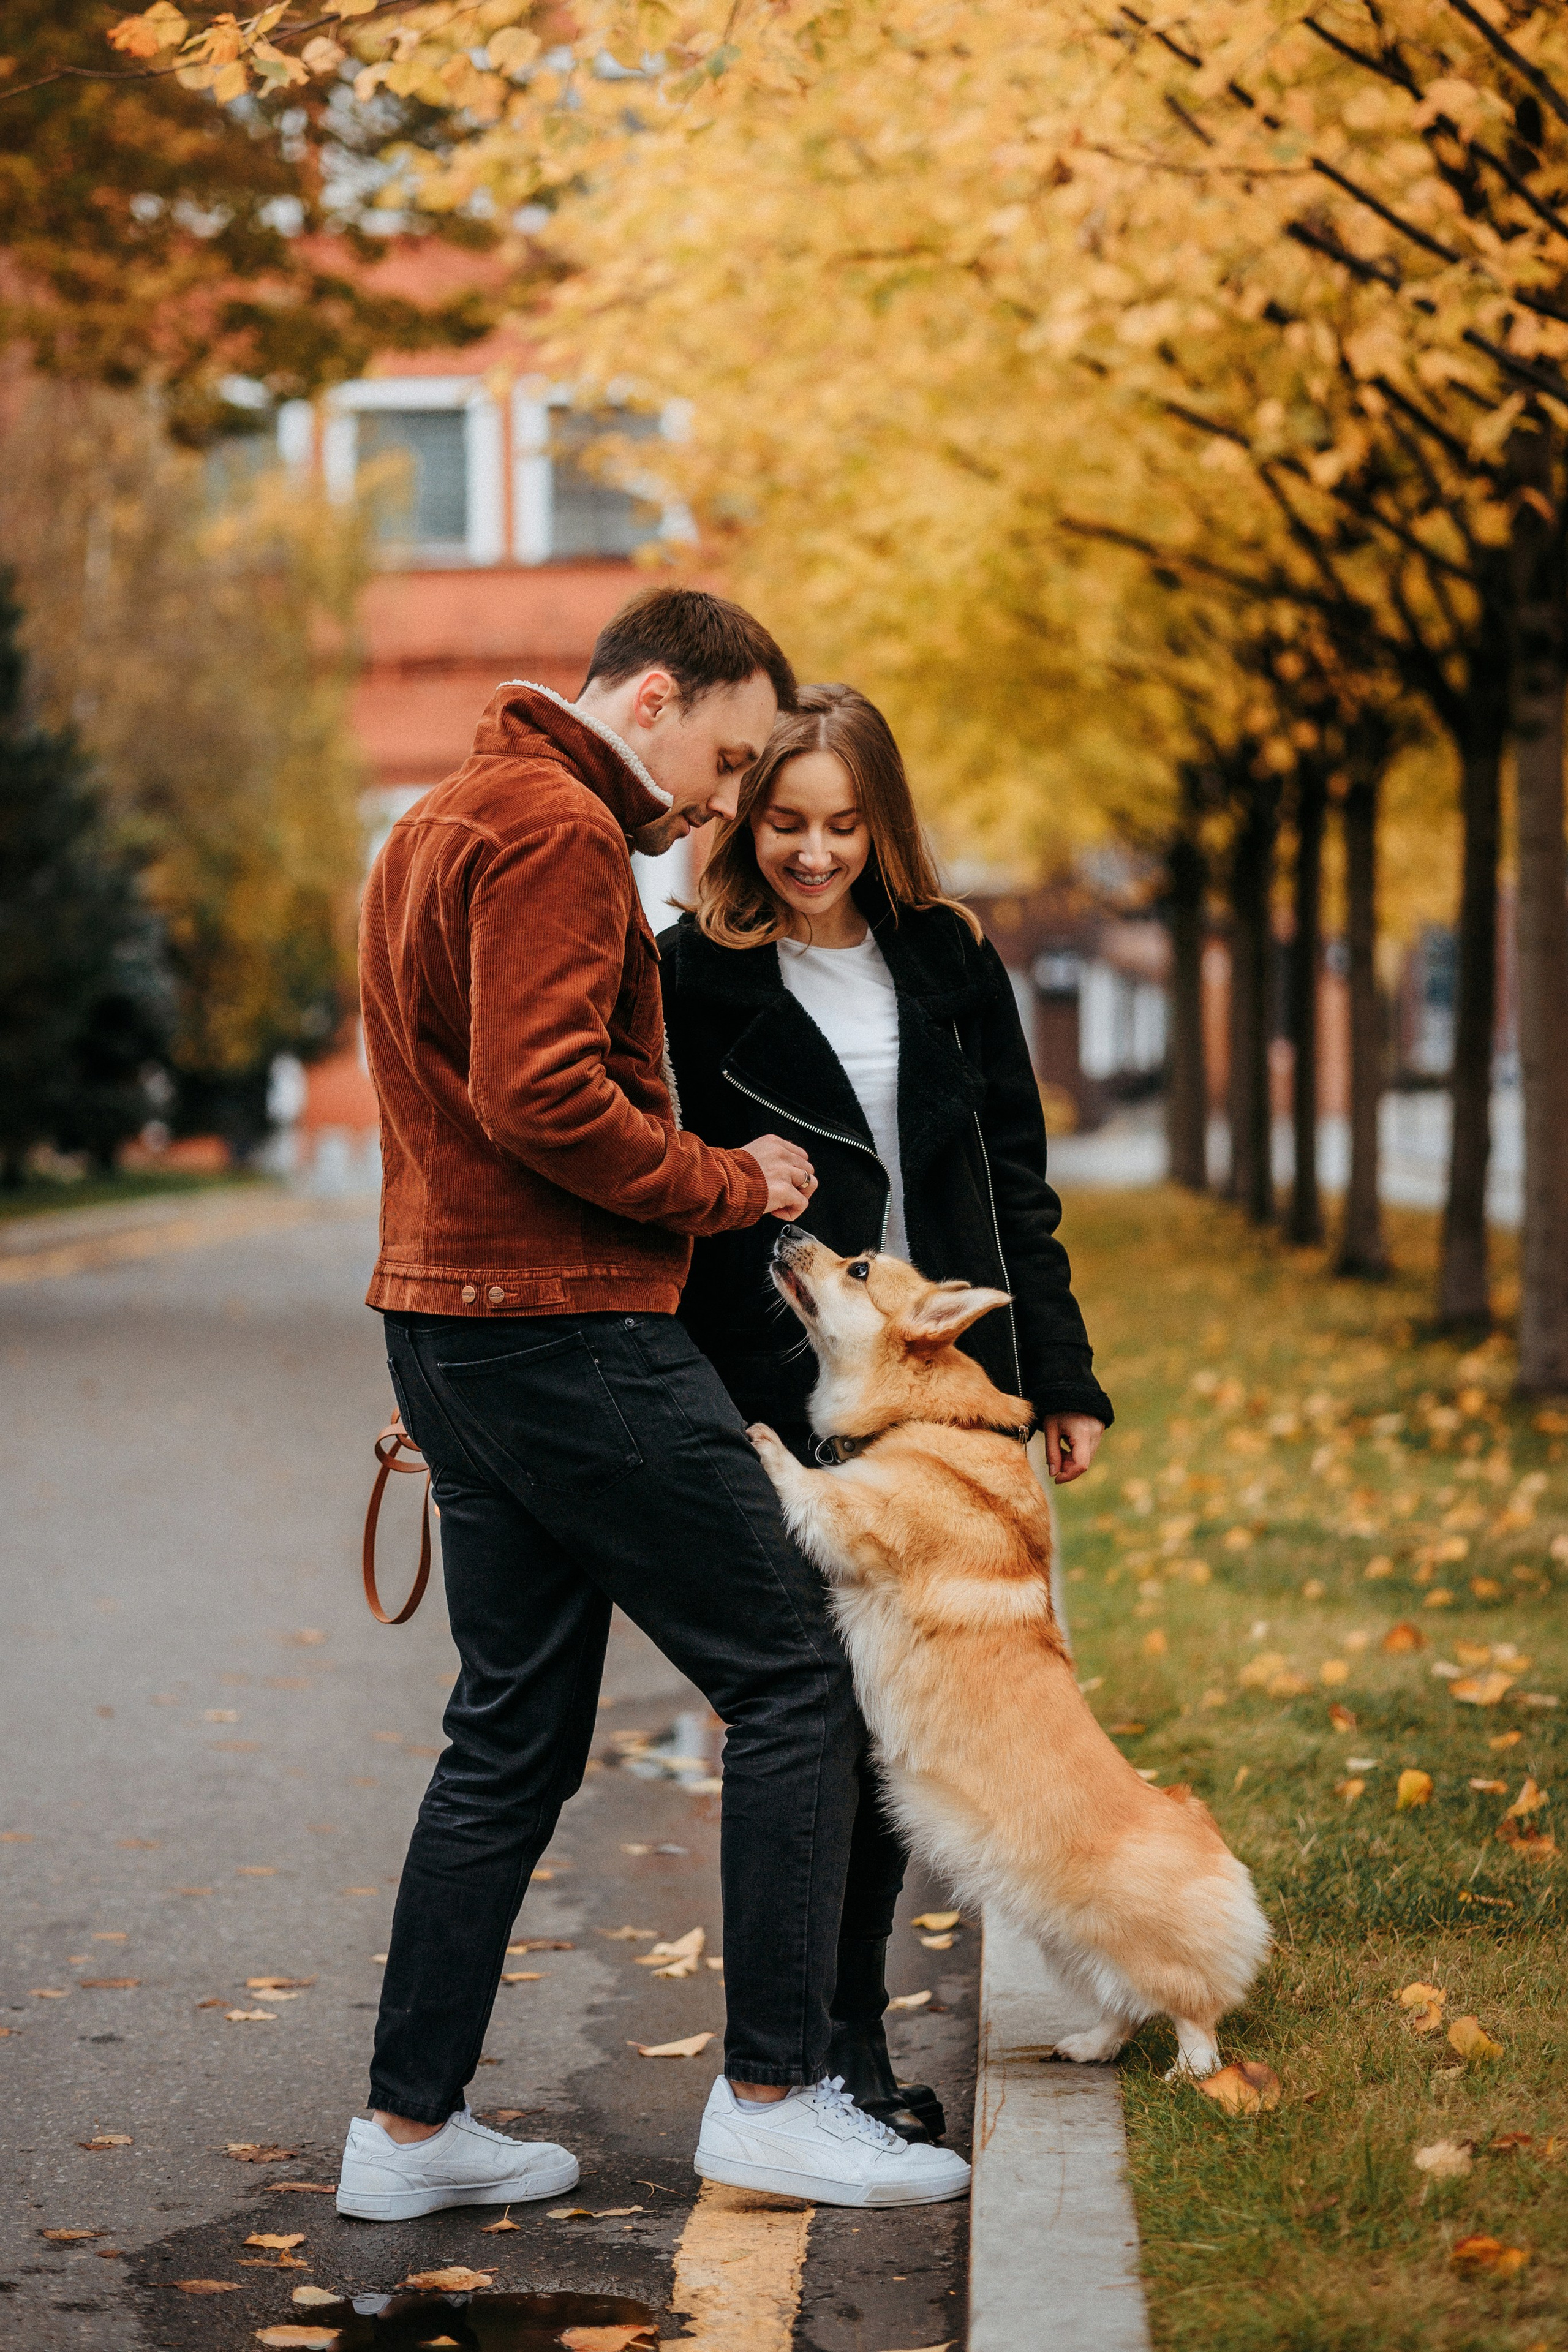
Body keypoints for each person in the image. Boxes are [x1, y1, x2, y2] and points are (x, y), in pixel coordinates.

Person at [336, 590, 972, 2223]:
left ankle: (407, 2135)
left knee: (512, 1735)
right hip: (566, 1336)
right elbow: (540, 1089)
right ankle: (776, 2092)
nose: (723, 797)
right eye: (731, 753)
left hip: (446, 1336)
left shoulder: (436, 819)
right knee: (799, 1670)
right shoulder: (555, 825)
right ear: (651, 693)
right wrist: (722, 1180)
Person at [659, 682, 1114, 2139]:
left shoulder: (945, 953)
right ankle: (823, 2055)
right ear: (745, 821)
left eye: (843, 826)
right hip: (778, 1388)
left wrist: (1061, 1373)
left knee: (906, 1723)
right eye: (785, 823)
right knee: (816, 1720)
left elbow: (1014, 1177)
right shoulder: (691, 971)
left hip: (945, 1384)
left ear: (883, 823)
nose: (811, 853)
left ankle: (840, 2045)